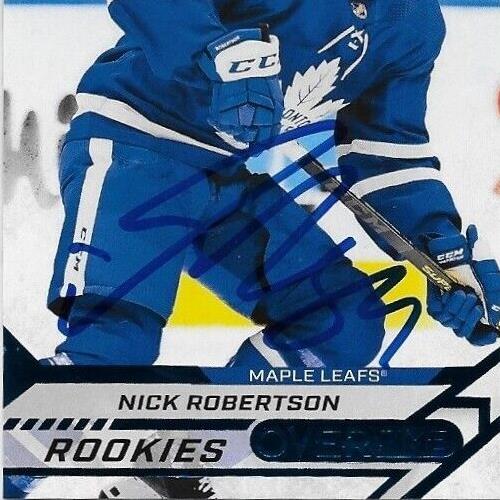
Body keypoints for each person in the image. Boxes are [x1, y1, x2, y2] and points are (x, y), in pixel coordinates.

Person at [43, 0, 499, 367]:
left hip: (227, 178)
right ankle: (32, 446)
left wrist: (442, 251)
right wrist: (214, 49)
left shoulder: (413, 21)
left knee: (341, 324)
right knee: (115, 343)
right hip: (136, 146)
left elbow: (386, 153)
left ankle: (206, 443)